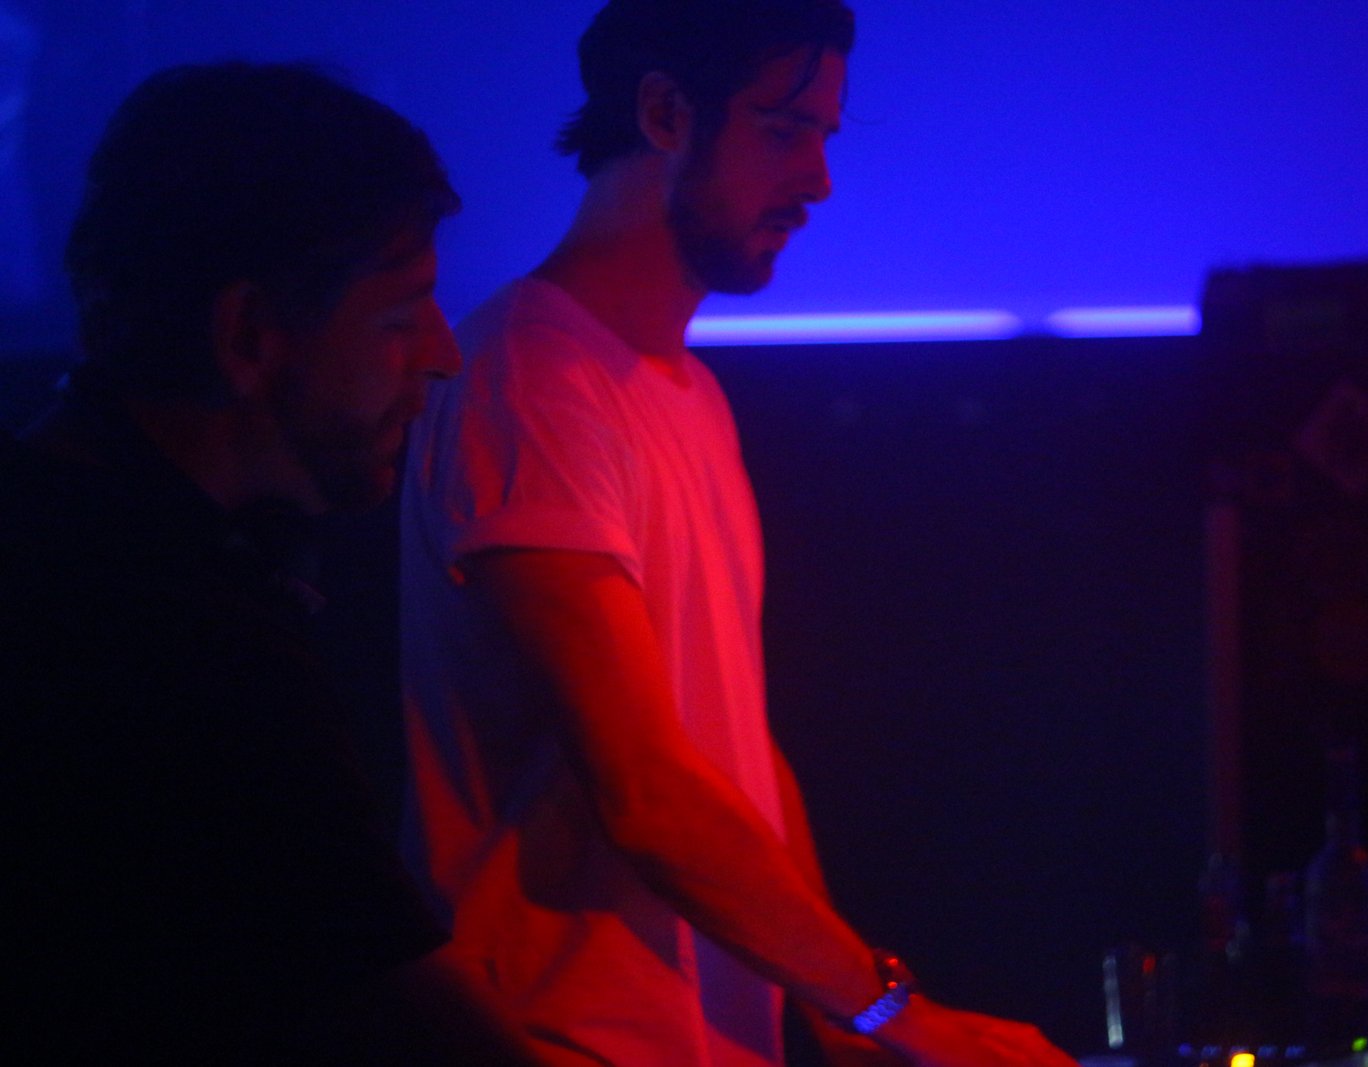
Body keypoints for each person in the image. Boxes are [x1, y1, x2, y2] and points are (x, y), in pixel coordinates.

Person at [400, 3, 1080, 1065]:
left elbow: (732, 759)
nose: (818, 180)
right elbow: (646, 792)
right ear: (665, 113)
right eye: (783, 128)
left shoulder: (686, 393)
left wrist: (846, 1012)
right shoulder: (532, 378)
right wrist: (890, 1011)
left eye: (824, 136)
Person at [0, 61, 544, 1063]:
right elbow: (405, 1014)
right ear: (249, 334)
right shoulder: (184, 641)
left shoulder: (56, 529)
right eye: (400, 315)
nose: (442, 353)